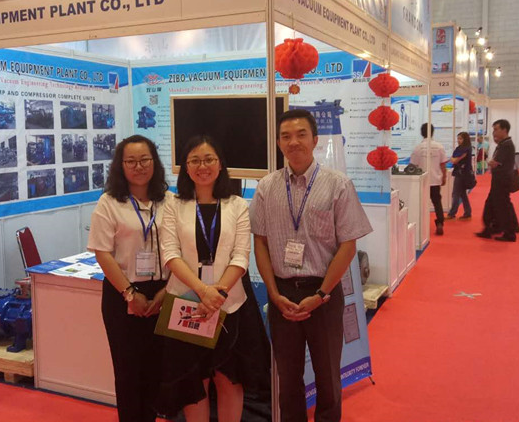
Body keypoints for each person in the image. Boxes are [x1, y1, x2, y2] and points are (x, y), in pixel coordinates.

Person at [250, 109, 372, 422]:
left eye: (301, 134)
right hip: (282, 295)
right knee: (288, 378)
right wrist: (274, 294)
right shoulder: (266, 187)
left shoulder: (338, 185)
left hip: (324, 295)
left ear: (315, 140)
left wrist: (320, 294)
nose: (294, 142)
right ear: (279, 143)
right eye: (286, 136)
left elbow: (348, 246)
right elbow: (260, 242)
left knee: (328, 375)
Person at [157, 135, 260, 422]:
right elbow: (170, 254)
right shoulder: (173, 205)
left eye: (209, 159)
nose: (202, 166)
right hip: (186, 302)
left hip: (230, 304)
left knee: (228, 377)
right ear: (186, 167)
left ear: (220, 164)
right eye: (195, 160)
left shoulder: (237, 205)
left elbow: (241, 256)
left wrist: (217, 294)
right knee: (193, 382)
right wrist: (203, 291)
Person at [87, 135, 170, 422]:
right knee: (128, 372)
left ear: (154, 162)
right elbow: (102, 252)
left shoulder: (169, 200)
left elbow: (181, 249)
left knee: (156, 370)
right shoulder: (109, 203)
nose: (139, 167)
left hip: (163, 293)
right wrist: (130, 294)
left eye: (144, 160)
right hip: (122, 294)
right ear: (120, 166)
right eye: (131, 161)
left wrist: (167, 291)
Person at [477, 119, 518, 242]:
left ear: (504, 130)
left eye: (496, 129)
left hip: (502, 180)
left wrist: (490, 162)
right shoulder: (504, 143)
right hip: (500, 179)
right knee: (493, 204)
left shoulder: (506, 145)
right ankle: (492, 228)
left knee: (502, 206)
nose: (494, 132)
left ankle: (509, 232)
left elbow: (495, 162)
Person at [409, 123, 449, 235]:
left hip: (422, 180)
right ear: (432, 132)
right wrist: (444, 177)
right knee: (437, 202)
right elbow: (443, 164)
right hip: (435, 179)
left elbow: (412, 166)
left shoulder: (418, 148)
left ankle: (420, 224)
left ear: (422, 133)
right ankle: (440, 222)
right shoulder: (439, 146)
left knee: (421, 203)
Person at [447, 131, 474, 220]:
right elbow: (453, 158)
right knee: (462, 194)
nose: (458, 140)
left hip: (462, 174)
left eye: (460, 139)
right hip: (461, 173)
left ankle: (452, 213)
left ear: (465, 139)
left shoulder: (465, 149)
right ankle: (467, 212)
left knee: (456, 193)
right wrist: (453, 159)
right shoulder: (461, 148)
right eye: (458, 138)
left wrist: (453, 159)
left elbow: (454, 160)